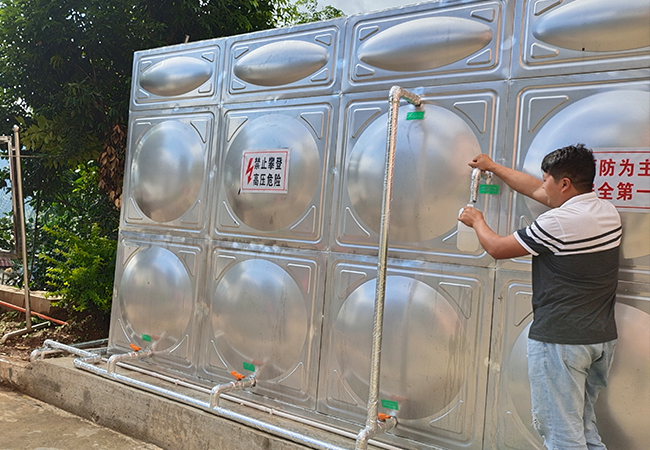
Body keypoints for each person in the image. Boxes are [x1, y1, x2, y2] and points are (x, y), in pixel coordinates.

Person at [458, 144, 622, 450]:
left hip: (562, 341)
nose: (542, 186)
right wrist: (494, 167)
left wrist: (477, 220)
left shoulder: (558, 222)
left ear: (565, 184)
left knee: (562, 437)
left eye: (547, 180)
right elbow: (536, 190)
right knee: (583, 429)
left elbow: (498, 248)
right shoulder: (605, 211)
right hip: (598, 339)